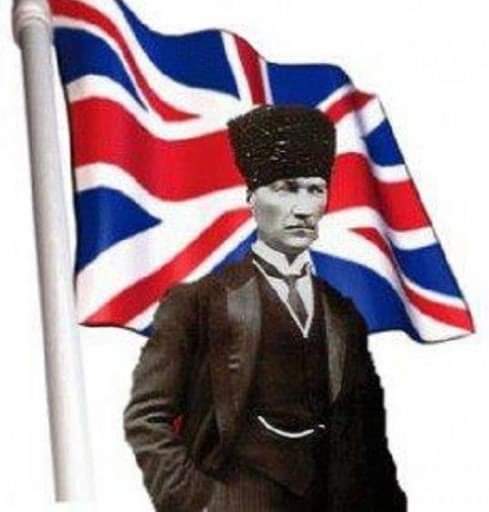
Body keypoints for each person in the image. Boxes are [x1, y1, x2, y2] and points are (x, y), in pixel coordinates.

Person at [124, 105, 407, 511]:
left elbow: (372, 447)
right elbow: (147, 419)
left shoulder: (343, 316)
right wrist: (202, 503)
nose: (304, 207)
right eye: (286, 188)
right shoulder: (198, 303)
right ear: (252, 198)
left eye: (315, 189)